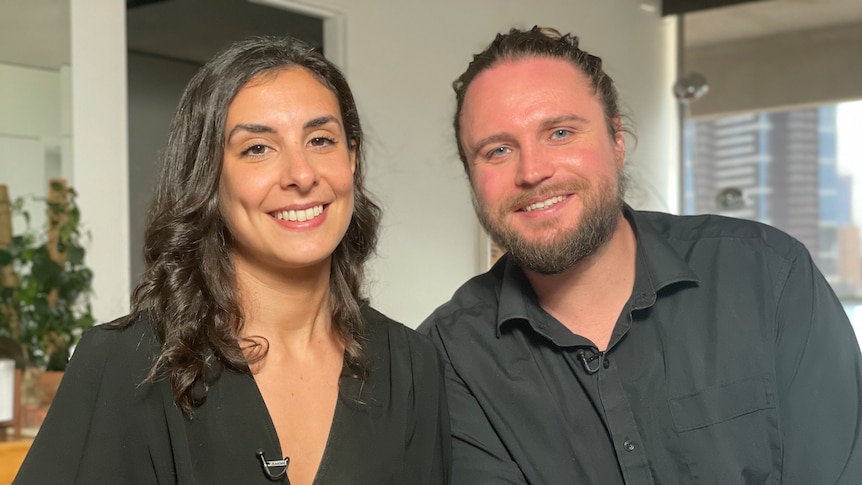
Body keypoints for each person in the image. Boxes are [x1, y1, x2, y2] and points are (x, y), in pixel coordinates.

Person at [419, 25, 862, 484]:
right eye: (498, 150)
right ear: (471, 177)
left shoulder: (769, 275)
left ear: (617, 140)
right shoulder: (445, 360)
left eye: (561, 132)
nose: (532, 172)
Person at [15, 35, 450, 485]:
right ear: (208, 176)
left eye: (321, 140)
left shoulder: (412, 367)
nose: (301, 175)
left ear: (352, 160)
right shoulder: (124, 364)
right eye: (257, 148)